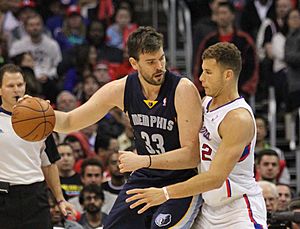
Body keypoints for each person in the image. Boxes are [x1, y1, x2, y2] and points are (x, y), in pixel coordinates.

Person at [53, 26, 202, 228]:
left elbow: (192, 156)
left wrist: (144, 160)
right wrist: (43, 115)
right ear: (134, 63)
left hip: (182, 181)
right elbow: (70, 121)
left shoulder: (182, 90)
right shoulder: (121, 89)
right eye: (151, 62)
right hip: (145, 177)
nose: (160, 66)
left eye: (162, 58)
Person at [123, 42, 267, 228]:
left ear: (228, 75)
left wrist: (165, 193)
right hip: (207, 209)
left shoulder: (238, 118)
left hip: (238, 210)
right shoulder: (205, 103)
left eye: (208, 72)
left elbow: (215, 178)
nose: (200, 78)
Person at [0, 63, 75, 228]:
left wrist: (60, 199)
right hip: (3, 195)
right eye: (10, 86)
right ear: (0, 90)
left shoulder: (41, 118)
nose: (16, 90)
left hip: (35, 195)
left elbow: (49, 164)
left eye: (20, 85)